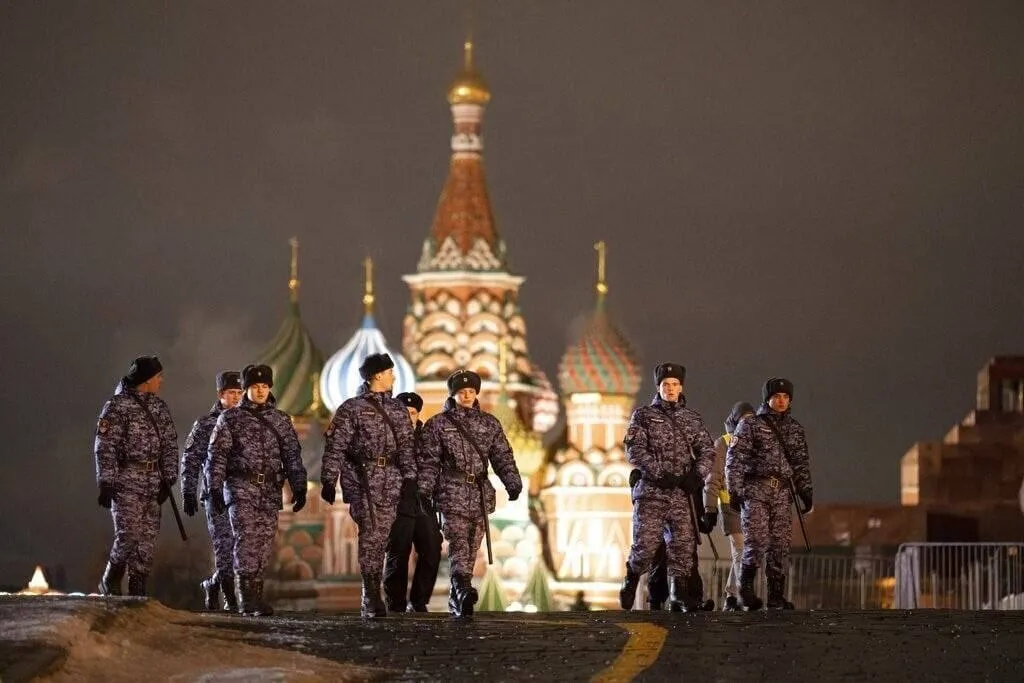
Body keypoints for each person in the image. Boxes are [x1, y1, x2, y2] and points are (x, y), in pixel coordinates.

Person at [320, 353, 417, 618]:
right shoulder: (352, 408)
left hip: (392, 481)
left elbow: (407, 447)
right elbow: (336, 445)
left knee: (384, 538)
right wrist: (328, 479)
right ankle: (371, 594)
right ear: (377, 375)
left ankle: (377, 591)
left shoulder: (398, 409)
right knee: (371, 537)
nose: (393, 377)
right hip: (364, 480)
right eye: (389, 372)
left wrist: (410, 478)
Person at [419, 369, 522, 618]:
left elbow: (502, 456)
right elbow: (429, 461)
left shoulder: (489, 423)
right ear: (453, 394)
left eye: (471, 391)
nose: (466, 395)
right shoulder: (438, 425)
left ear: (476, 393)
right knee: (458, 542)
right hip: (451, 492)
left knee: (473, 543)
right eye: (462, 392)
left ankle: (458, 596)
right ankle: (464, 587)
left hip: (479, 493)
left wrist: (512, 482)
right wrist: (424, 490)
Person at [206, 364, 307, 616]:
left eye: (265, 386)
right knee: (246, 539)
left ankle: (256, 596)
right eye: (255, 387)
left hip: (270, 489)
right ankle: (246, 599)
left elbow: (292, 455)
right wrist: (215, 488)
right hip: (241, 487)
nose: (261, 391)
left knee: (263, 542)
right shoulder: (230, 419)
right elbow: (216, 456)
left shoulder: (280, 420)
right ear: (246, 389)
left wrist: (299, 485)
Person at [619, 362, 715, 612]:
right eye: (665, 385)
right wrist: (658, 473)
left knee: (683, 546)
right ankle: (631, 578)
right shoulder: (644, 416)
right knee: (646, 547)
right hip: (652, 492)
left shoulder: (691, 419)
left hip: (681, 493)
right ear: (658, 387)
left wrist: (697, 475)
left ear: (681, 386)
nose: (670, 389)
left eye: (674, 385)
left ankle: (679, 594)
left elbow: (707, 450)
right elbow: (634, 450)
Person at [94, 355, 179, 597]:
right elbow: (105, 446)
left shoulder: (159, 407)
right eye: (158, 377)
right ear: (147, 379)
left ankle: (137, 589)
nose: (161, 381)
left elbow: (170, 445)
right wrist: (106, 482)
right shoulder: (117, 407)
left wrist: (169, 478)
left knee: (147, 542)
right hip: (127, 480)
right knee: (128, 534)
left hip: (154, 482)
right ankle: (111, 577)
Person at [726, 378, 813, 611]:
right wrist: (734, 490)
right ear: (767, 399)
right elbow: (735, 460)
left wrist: (806, 492)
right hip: (756, 489)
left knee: (780, 545)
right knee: (756, 540)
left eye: (785, 397)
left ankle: (776, 596)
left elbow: (800, 463)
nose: (781, 401)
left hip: (783, 492)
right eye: (777, 397)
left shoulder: (795, 428)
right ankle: (745, 588)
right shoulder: (751, 425)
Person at [180, 371, 244, 611]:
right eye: (231, 393)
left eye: (240, 393)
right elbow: (191, 459)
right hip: (216, 496)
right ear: (221, 395)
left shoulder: (247, 421)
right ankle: (231, 600)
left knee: (242, 551)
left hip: (242, 496)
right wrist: (188, 492)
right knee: (224, 547)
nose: (236, 398)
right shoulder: (206, 424)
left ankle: (213, 584)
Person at [383, 391, 443, 613]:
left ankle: (418, 601)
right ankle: (395, 603)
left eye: (412, 413)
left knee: (432, 549)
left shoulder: (429, 437)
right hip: (398, 500)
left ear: (418, 414)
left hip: (423, 500)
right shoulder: (387, 436)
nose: (408, 417)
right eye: (403, 413)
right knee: (398, 552)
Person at [707, 401, 755, 611]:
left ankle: (731, 597)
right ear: (735, 421)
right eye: (744, 420)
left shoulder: (759, 444)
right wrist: (709, 507)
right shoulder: (724, 443)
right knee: (741, 549)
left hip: (753, 506)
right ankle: (743, 594)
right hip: (730, 506)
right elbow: (713, 477)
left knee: (748, 551)